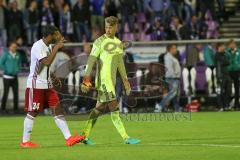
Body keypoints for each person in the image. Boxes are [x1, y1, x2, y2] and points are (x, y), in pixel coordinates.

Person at [20, 25, 85, 148]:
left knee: (57, 110)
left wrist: (53, 77)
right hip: (36, 85)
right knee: (33, 112)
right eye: (56, 34)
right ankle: (25, 141)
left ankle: (69, 138)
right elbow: (47, 62)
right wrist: (56, 47)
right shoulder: (37, 46)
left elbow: (44, 67)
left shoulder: (48, 47)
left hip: (48, 85)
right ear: (50, 35)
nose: (58, 36)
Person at [80, 16, 140, 145]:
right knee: (114, 107)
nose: (108, 30)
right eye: (106, 27)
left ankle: (84, 136)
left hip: (111, 82)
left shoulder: (118, 43)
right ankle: (126, 138)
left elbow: (120, 64)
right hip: (103, 81)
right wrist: (86, 79)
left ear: (116, 27)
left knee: (99, 109)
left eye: (110, 27)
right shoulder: (99, 41)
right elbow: (91, 60)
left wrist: (125, 81)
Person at [155, 44, 181, 112]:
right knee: (172, 93)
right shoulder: (168, 57)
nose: (176, 50)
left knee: (174, 95)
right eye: (174, 48)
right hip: (172, 78)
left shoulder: (172, 57)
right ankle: (160, 106)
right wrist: (174, 77)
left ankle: (177, 108)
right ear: (170, 49)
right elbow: (169, 69)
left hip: (173, 78)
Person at [0, 41, 20, 114]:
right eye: (13, 46)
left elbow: (19, 63)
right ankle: (2, 109)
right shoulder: (5, 54)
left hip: (15, 77)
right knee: (6, 93)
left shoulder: (18, 54)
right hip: (7, 77)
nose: (14, 48)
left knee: (16, 93)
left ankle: (16, 109)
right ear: (9, 47)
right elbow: (0, 63)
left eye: (15, 47)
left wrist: (18, 69)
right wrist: (6, 70)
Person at [215, 43, 231, 111]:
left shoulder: (225, 54)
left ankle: (226, 106)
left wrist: (225, 61)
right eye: (222, 46)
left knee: (228, 91)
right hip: (220, 75)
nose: (224, 47)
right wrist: (219, 77)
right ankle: (221, 106)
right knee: (220, 92)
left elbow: (228, 62)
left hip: (227, 75)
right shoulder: (216, 55)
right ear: (219, 47)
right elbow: (221, 64)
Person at [226, 39, 240, 110]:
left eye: (233, 44)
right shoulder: (227, 52)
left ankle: (236, 105)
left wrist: (238, 66)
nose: (231, 45)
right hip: (229, 71)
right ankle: (228, 105)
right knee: (228, 88)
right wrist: (232, 55)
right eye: (230, 44)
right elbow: (227, 61)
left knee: (237, 89)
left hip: (237, 71)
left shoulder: (239, 52)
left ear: (235, 44)